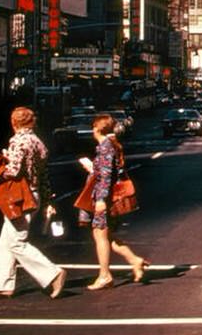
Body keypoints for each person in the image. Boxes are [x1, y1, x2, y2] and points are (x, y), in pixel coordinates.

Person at [0, 107, 67, 299]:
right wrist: (47, 200)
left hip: (20, 197)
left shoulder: (18, 141)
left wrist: (1, 164)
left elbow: (13, 171)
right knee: (7, 240)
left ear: (14, 122)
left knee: (16, 242)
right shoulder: (38, 142)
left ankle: (53, 274)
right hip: (34, 194)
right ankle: (1, 285)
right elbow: (44, 175)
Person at [76, 113, 147, 290]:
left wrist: (100, 199)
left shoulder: (106, 147)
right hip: (105, 197)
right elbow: (107, 171)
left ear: (98, 129)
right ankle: (134, 260)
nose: (92, 130)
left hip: (104, 199)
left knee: (100, 235)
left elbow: (106, 176)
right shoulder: (109, 145)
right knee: (106, 235)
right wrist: (92, 168)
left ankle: (105, 276)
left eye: (93, 127)